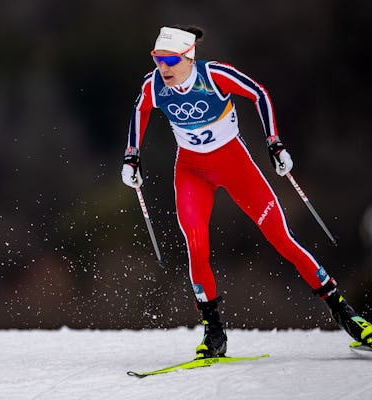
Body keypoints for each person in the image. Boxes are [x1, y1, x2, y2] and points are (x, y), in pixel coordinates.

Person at [121, 25, 372, 357]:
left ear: (188, 56)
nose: (162, 67)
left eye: (169, 59)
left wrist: (275, 144)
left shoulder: (213, 76)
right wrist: (131, 156)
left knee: (282, 239)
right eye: (157, 59)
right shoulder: (154, 85)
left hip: (236, 166)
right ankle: (214, 334)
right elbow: (140, 109)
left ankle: (346, 314)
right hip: (192, 172)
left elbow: (259, 94)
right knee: (195, 247)